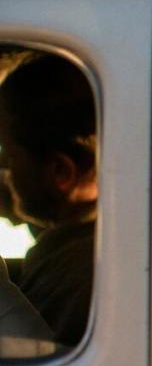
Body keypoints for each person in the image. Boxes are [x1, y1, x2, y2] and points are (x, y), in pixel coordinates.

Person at [0, 52, 97, 347]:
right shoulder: (82, 245)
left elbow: (41, 364)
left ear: (60, 172)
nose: (5, 171)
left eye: (10, 157)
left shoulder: (78, 275)